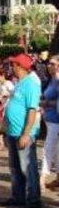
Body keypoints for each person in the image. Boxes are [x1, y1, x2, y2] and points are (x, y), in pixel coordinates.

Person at [0, 53, 41, 208]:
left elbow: (32, 111)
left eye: (14, 65)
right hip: (13, 131)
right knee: (15, 167)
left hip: (23, 133)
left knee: (27, 167)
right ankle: (18, 196)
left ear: (20, 67)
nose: (12, 67)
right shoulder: (20, 82)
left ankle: (33, 199)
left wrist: (26, 134)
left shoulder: (31, 84)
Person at [40, 55, 59, 189]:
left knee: (48, 147)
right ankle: (58, 177)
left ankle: (43, 176)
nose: (49, 66)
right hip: (49, 119)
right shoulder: (51, 80)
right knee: (56, 149)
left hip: (56, 121)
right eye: (49, 63)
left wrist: (45, 103)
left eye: (52, 64)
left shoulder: (57, 80)